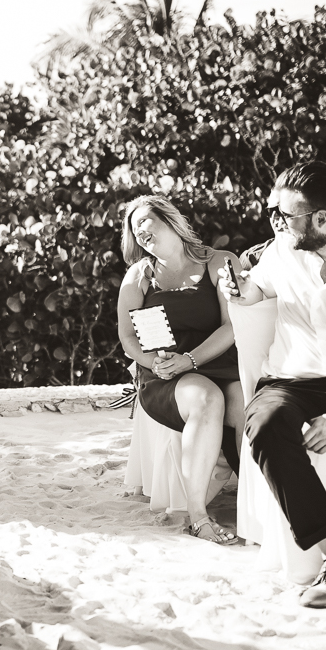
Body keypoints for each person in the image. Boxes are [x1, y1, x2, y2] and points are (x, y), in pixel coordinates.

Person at [219, 161, 326, 608]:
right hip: (290, 383)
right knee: (265, 424)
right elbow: (254, 291)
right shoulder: (283, 252)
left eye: (286, 214)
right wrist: (238, 289)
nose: (278, 222)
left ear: (320, 219)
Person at [117, 195, 244, 544]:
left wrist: (192, 359)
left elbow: (230, 326)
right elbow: (127, 336)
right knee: (206, 398)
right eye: (134, 227)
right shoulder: (139, 276)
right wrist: (152, 362)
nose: (140, 230)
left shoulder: (219, 261)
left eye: (145, 220)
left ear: (170, 220)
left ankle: (256, 511)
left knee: (248, 406)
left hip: (217, 362)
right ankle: (198, 518)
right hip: (166, 375)